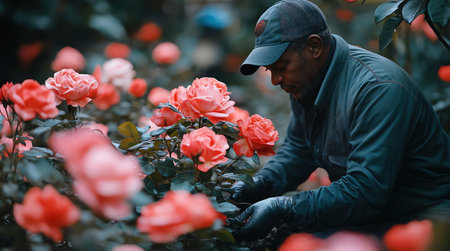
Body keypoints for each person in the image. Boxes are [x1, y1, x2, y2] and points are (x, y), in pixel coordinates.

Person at [229, 0, 450, 242]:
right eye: (270, 70)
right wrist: (259, 185)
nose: (275, 80)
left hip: (424, 219)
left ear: (314, 46)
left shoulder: (378, 90)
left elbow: (365, 192)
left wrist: (286, 206)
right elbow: (298, 150)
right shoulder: (306, 81)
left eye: (282, 66)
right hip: (373, 215)